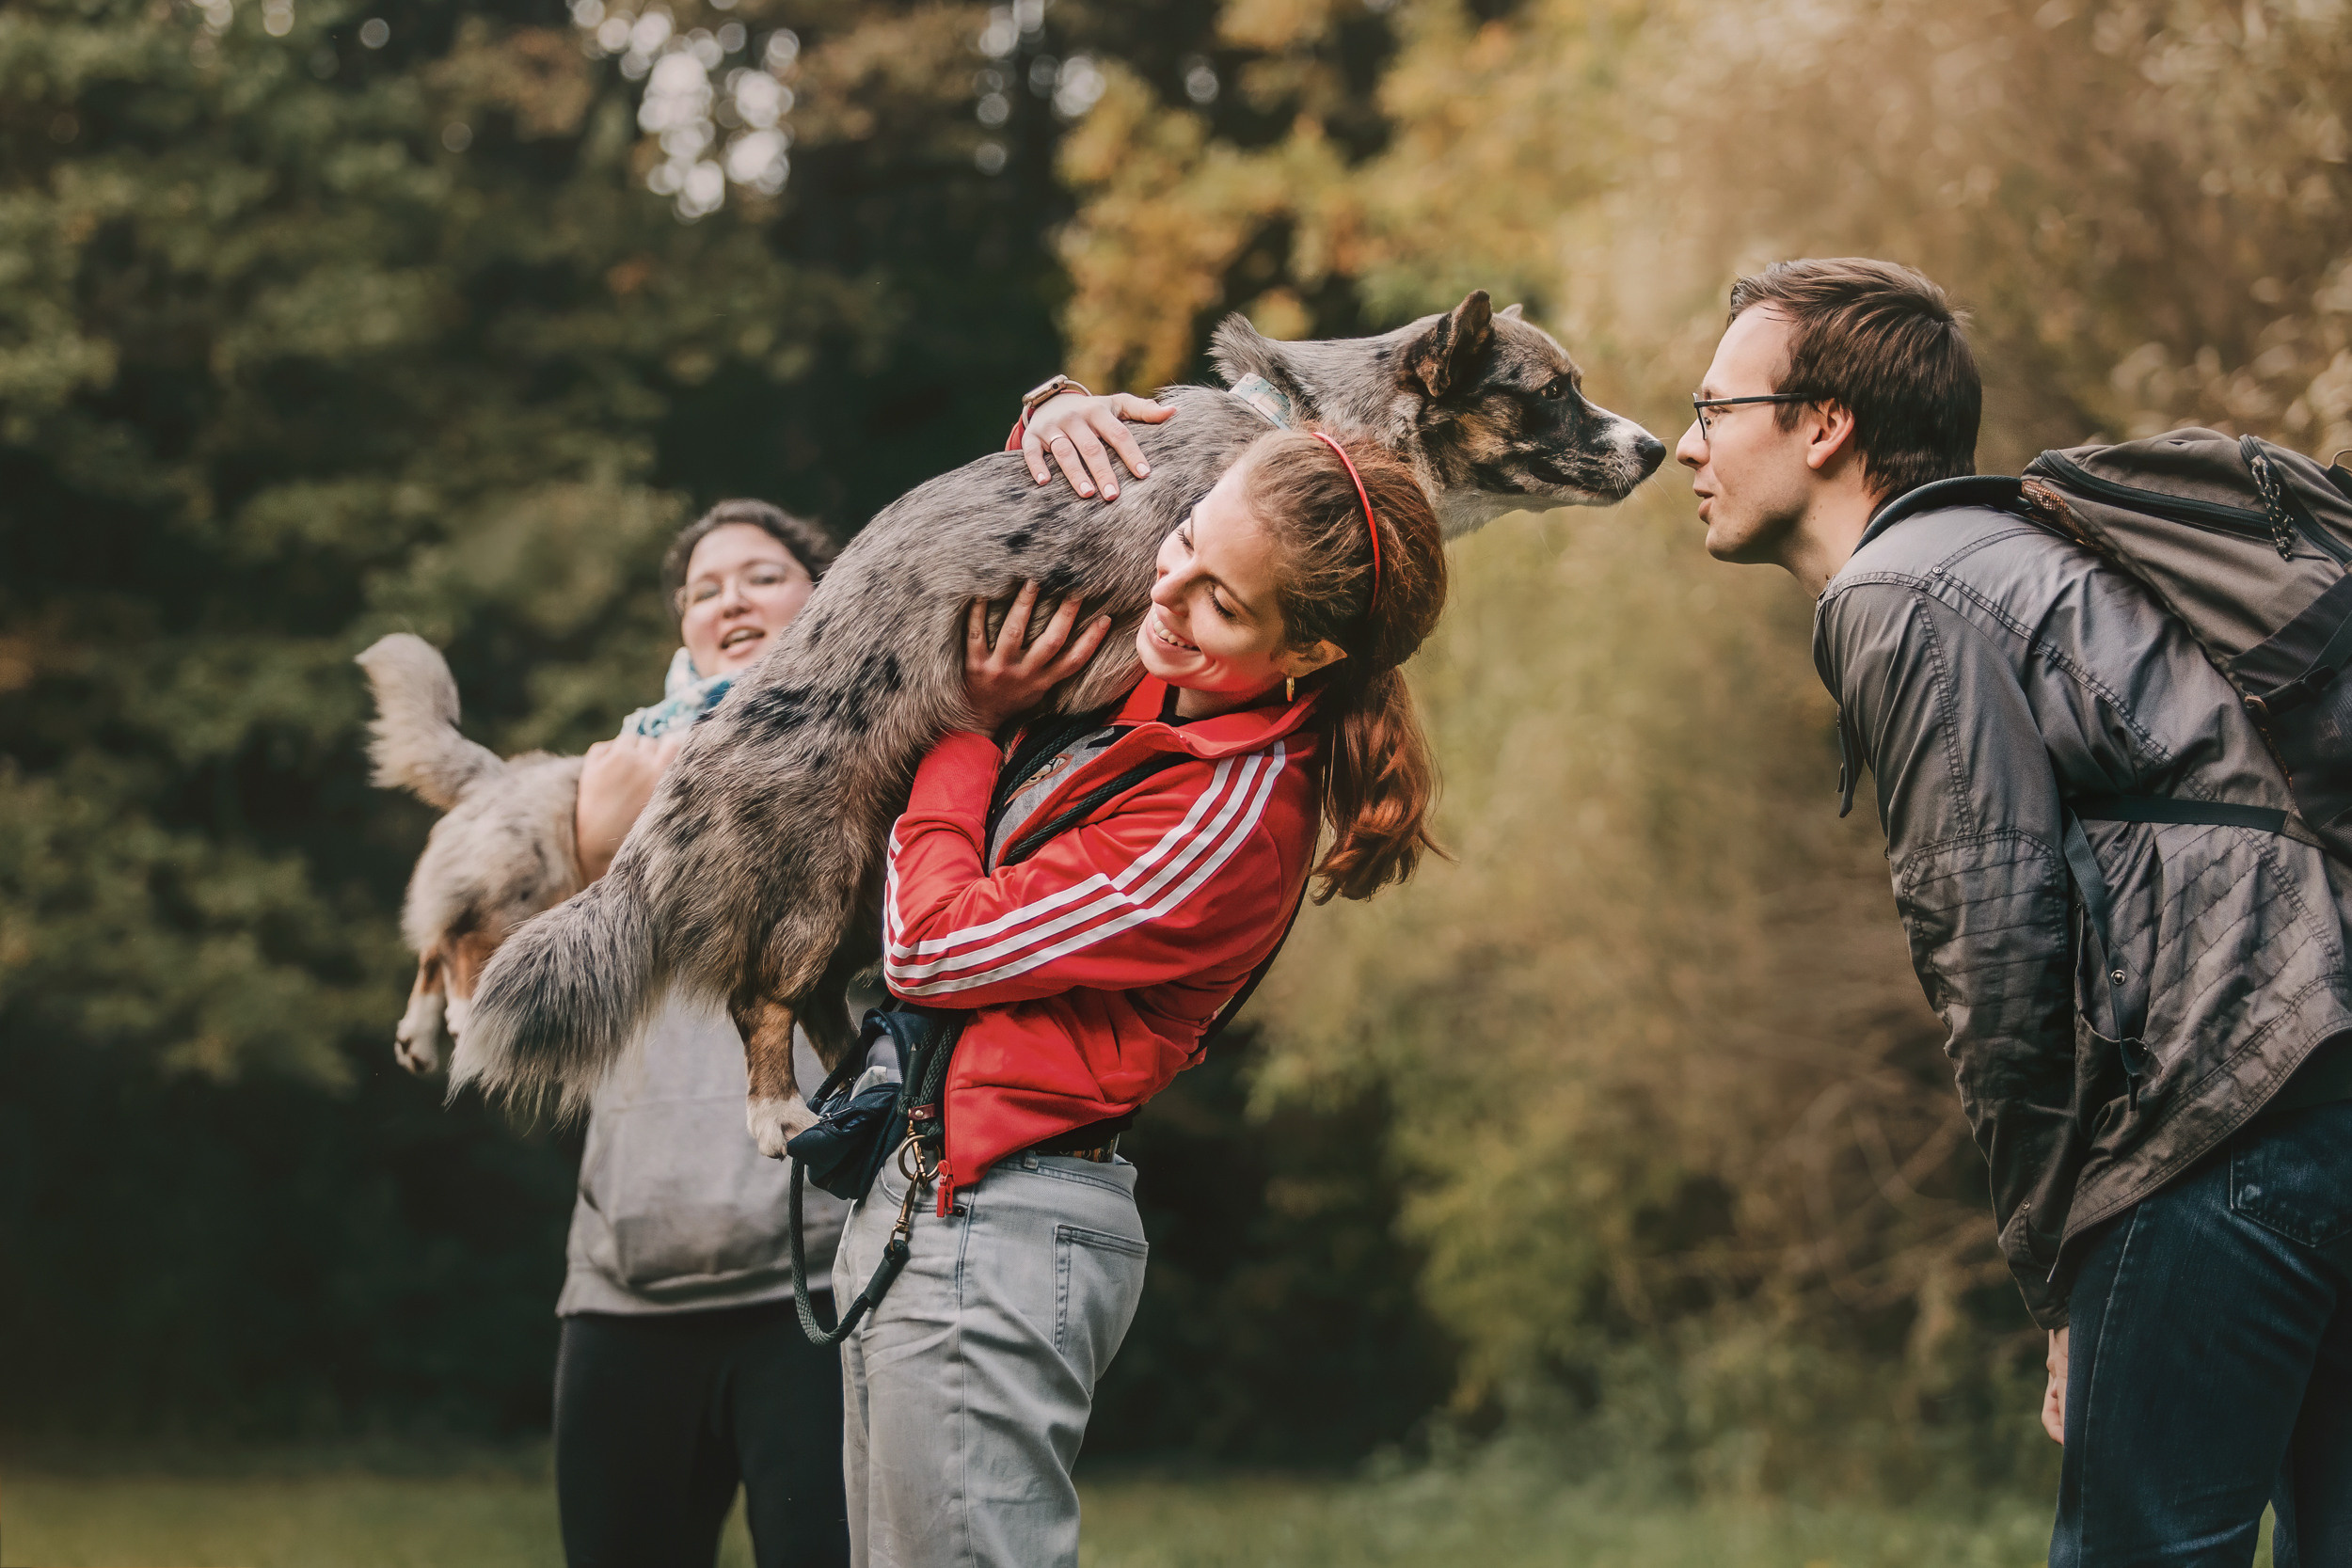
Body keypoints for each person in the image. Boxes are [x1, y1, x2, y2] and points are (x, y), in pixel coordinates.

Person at [1676, 257, 2352, 1566]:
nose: (1687, 446)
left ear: (1823, 426)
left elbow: (1997, 944)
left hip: (2221, 1102)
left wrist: (2058, 1266)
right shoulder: (2027, 559)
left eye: (1715, 408)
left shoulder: (1901, 588)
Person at [831, 422, 1450, 1568]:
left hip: (997, 1230)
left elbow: (929, 948)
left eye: (1223, 602)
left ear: (1308, 653)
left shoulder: (1229, 820)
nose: (1168, 594)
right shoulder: (1168, 695)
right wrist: (1056, 415)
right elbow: (1055, 525)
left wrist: (961, 727)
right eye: (1184, 541)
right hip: (933, 1204)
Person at [555, 499, 859, 1568]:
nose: (729, 597)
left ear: (827, 594)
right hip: (625, 1283)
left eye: (762, 575)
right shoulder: (617, 767)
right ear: (680, 629)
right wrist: (598, 839)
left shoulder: (891, 744)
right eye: (702, 588)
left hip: (818, 1277)